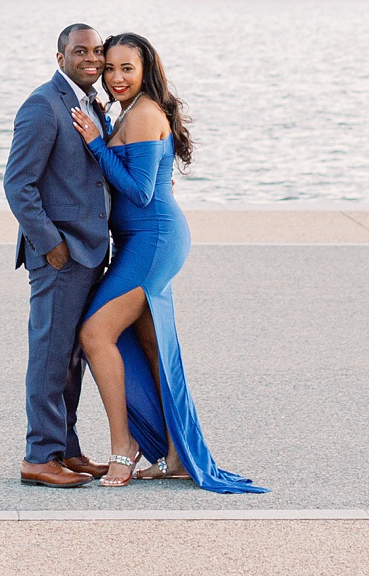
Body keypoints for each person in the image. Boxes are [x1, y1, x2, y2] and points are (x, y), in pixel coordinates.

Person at [71, 31, 266, 493]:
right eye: (111, 67)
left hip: (153, 241)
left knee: (95, 333)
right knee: (153, 347)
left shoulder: (143, 114)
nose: (116, 77)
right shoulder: (130, 112)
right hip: (144, 239)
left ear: (145, 71)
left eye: (127, 69)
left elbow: (139, 192)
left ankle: (125, 446)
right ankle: (176, 455)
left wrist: (98, 146)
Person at [2, 22, 120, 487]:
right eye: (80, 51)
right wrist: (51, 246)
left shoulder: (91, 104)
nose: (91, 59)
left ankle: (66, 450)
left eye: (97, 52)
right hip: (61, 255)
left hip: (91, 252)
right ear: (60, 58)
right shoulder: (42, 104)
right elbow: (18, 184)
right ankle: (39, 456)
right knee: (50, 355)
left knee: (72, 358)